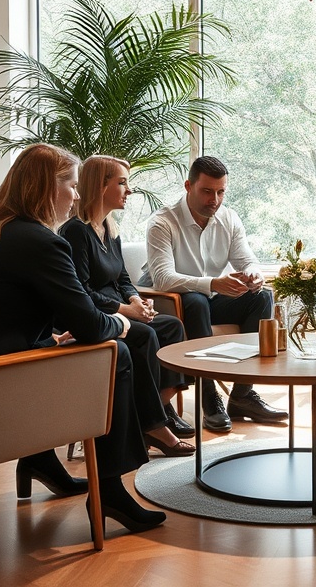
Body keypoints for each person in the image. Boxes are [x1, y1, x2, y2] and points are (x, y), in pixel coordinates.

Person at [0, 143, 166, 533]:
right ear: (47, 188)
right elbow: (92, 325)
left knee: (85, 345)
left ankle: (41, 459)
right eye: (72, 186)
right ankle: (109, 489)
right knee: (118, 351)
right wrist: (121, 324)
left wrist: (47, 341)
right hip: (0, 385)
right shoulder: (40, 241)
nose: (76, 196)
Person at [142, 155, 288, 432]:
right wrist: (212, 284)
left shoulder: (228, 218)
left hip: (209, 298)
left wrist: (253, 274)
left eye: (221, 192)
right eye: (207, 191)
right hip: (170, 301)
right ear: (189, 186)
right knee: (197, 302)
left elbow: (247, 260)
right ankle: (210, 399)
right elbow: (163, 278)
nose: (215, 200)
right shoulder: (162, 222)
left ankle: (242, 395)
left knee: (261, 297)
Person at [60, 155, 195, 452]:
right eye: (122, 182)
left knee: (171, 326)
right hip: (98, 315)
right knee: (145, 334)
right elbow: (81, 291)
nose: (129, 190)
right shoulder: (76, 232)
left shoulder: (110, 229)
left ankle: (151, 412)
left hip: (120, 309)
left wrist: (137, 300)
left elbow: (122, 278)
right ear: (99, 186)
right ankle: (155, 427)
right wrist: (127, 310)